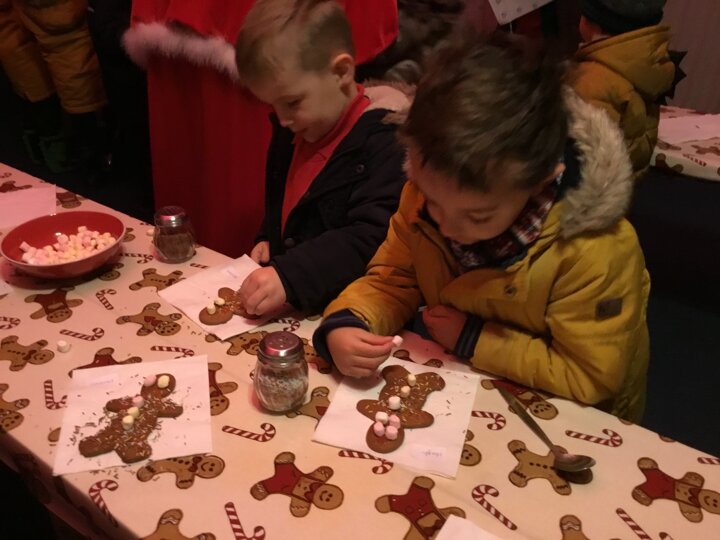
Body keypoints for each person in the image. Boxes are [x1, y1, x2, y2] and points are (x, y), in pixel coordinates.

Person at [313, 32, 651, 422]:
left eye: (478, 217)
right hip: (472, 392)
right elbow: (393, 276)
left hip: (574, 417)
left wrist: (474, 338)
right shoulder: (425, 195)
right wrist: (348, 320)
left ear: (540, 180)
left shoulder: (595, 251)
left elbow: (588, 375)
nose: (448, 227)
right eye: (434, 202)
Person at [234, 0, 409, 317]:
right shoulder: (296, 127)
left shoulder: (386, 140)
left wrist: (290, 275)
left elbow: (372, 237)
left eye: (292, 102)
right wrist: (269, 236)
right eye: (272, 105)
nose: (282, 118)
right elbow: (287, 198)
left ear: (341, 71)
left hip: (354, 312)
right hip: (300, 304)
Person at [572, 0, 675, 179]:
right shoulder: (644, 67)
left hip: (590, 190)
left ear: (591, 23)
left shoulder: (592, 80)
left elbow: (579, 159)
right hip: (623, 185)